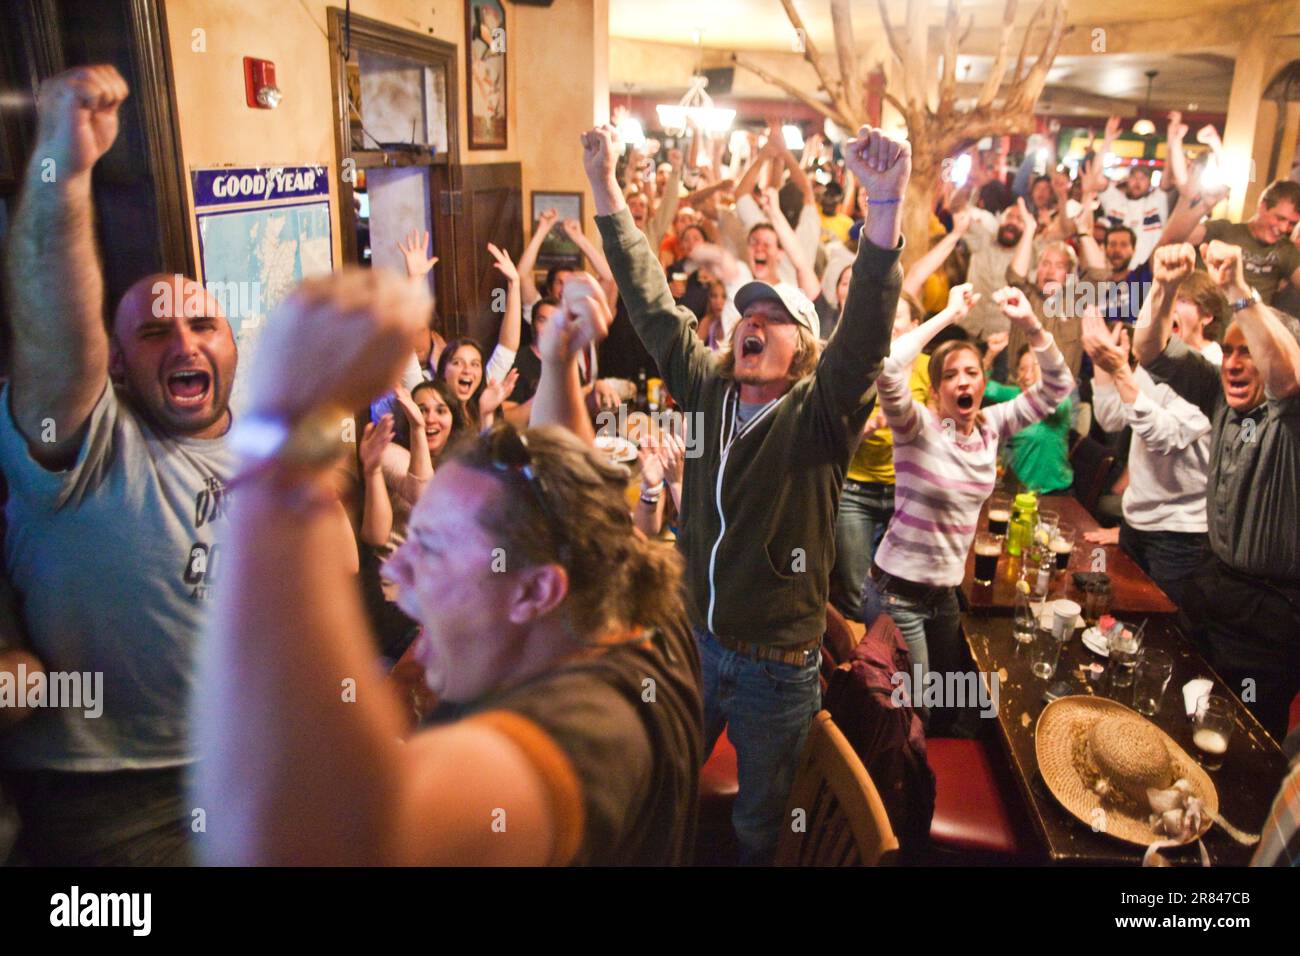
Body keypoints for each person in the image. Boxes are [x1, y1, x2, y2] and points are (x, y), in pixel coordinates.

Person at [192, 267, 703, 866]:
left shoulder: (591, 727)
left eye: (431, 546)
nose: (400, 569)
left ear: (535, 590)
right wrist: (559, 360)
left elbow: (295, 841)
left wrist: (280, 431)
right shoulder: (624, 597)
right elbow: (571, 493)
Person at [583, 120, 908, 863]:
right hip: (699, 643)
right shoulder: (705, 388)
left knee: (759, 833)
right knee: (656, 789)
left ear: (804, 348)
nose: (749, 325)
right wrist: (605, 187)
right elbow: (648, 301)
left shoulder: (819, 417)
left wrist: (883, 210)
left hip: (777, 670)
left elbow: (863, 338)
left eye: (770, 319)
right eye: (744, 317)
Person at [0, 65, 236, 864]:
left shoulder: (271, 450)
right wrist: (62, 173)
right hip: (116, 800)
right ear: (121, 370)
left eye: (204, 322)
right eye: (154, 333)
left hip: (251, 767)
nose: (185, 343)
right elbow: (57, 333)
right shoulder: (85, 441)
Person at [862, 285, 1074, 734]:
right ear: (938, 389)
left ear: (983, 381)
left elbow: (1058, 386)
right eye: (951, 374)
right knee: (914, 712)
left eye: (972, 372)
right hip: (896, 593)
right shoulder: (918, 426)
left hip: (943, 597)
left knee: (946, 705)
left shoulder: (992, 426)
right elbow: (888, 368)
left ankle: (933, 781)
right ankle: (894, 797)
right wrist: (947, 314)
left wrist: (1031, 323)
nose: (963, 380)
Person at [1132, 240, 1300, 741]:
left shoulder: (1289, 413)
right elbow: (1149, 350)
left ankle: (1243, 819)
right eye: (1227, 350)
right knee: (1179, 704)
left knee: (1244, 732)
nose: (1231, 362)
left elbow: (1288, 375)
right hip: (1214, 584)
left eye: (1246, 352)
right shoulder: (1219, 398)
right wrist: (1161, 289)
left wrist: (1235, 288)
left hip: (1269, 612)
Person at [1082, 312, 1211, 609]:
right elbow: (1112, 417)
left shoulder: (1210, 370)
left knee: (1161, 634)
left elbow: (1165, 436)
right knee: (1118, 620)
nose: (1169, 311)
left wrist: (1121, 372)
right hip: (1137, 523)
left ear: (1205, 315)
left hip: (1177, 535)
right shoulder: (1156, 363)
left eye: (1181, 302)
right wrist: (1105, 366)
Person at [831, 290, 930, 621]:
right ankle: (868, 663)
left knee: (903, 589)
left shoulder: (930, 370)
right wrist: (867, 428)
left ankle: (896, 657)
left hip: (907, 494)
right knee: (856, 590)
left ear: (915, 325)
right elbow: (830, 440)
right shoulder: (858, 368)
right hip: (856, 491)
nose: (889, 323)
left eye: (897, 315)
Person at [1183, 179, 1300, 307]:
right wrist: (1201, 205)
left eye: (1292, 224)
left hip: (1250, 321)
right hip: (1208, 318)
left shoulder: (1286, 250)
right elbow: (1175, 237)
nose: (1284, 228)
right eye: (1280, 218)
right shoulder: (1224, 230)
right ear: (1263, 207)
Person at [981, 340, 1074, 496]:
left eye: (1035, 368)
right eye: (1022, 369)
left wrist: (1043, 360)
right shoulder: (1017, 395)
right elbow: (985, 388)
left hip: (1051, 495)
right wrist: (990, 356)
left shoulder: (1059, 401)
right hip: (1014, 489)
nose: (1027, 376)